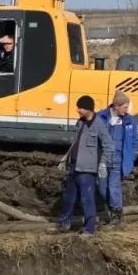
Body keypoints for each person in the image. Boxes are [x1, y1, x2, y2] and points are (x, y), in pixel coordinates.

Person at [57, 96, 113, 237]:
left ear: (88, 109)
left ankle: (89, 229)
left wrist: (102, 164)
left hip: (87, 170)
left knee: (87, 199)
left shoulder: (99, 125)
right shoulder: (80, 123)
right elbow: (75, 142)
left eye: (80, 107)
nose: (77, 110)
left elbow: (109, 146)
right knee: (68, 197)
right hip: (74, 166)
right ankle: (63, 224)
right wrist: (66, 158)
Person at [96, 90, 138, 226]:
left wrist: (131, 158)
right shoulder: (100, 118)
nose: (127, 110)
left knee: (114, 187)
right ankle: (105, 213)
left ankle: (117, 216)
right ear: (116, 106)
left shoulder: (130, 121)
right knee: (102, 188)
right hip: (102, 161)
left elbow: (134, 142)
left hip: (118, 161)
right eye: (125, 107)